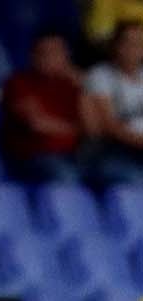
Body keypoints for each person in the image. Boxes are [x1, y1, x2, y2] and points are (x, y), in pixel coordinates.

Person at [2, 31, 86, 184]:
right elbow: (37, 124)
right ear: (33, 56)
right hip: (37, 157)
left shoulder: (74, 84)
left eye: (56, 52)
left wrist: (86, 87)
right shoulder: (19, 83)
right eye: (44, 53)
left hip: (79, 155)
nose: (49, 58)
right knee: (67, 177)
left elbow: (95, 128)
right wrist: (78, 130)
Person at [82, 21, 143, 184]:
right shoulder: (100, 75)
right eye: (128, 43)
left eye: (138, 44)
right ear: (116, 46)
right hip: (113, 152)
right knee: (136, 180)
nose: (133, 49)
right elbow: (109, 126)